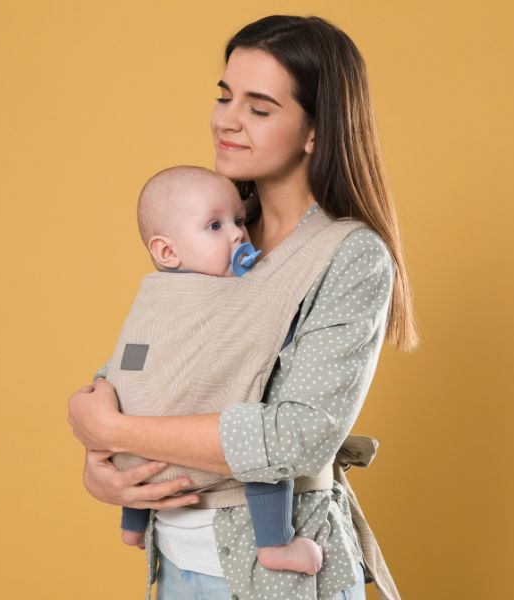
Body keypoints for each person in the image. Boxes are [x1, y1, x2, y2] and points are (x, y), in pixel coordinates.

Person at [67, 14, 419, 600]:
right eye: (224, 96)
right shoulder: (215, 231)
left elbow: (298, 437)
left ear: (316, 131)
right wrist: (104, 460)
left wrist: (119, 428)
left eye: (259, 107)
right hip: (175, 564)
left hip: (275, 580)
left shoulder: (349, 256)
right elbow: (154, 362)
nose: (226, 120)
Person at [113, 164, 324, 576]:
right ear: (167, 251)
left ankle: (131, 525)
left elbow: (126, 364)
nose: (236, 235)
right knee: (260, 447)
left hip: (131, 459)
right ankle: (275, 543)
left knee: (141, 403)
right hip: (186, 456)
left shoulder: (155, 296)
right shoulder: (229, 297)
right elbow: (269, 333)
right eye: (214, 225)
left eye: (240, 221)